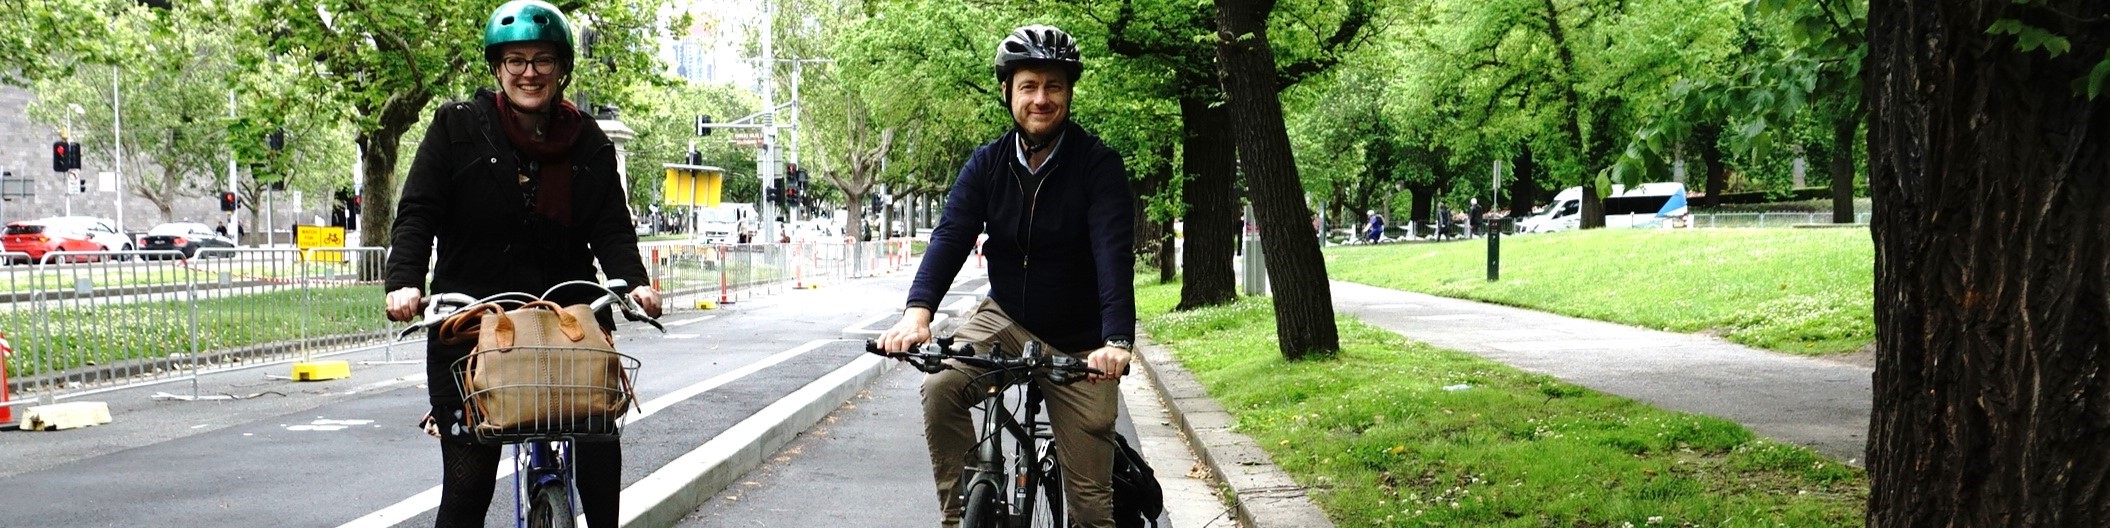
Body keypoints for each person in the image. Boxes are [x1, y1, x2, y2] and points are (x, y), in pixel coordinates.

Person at [380, 2, 662, 527]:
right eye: (515, 60)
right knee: (468, 482)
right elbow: (418, 212)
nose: (529, 72)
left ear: (562, 68)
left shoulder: (590, 141)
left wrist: (637, 285)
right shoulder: (456, 127)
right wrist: (403, 283)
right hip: (470, 321)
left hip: (566, 326)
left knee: (599, 450)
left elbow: (611, 228)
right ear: (497, 68)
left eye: (543, 60)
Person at [874, 24, 1137, 528]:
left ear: (1069, 93)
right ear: (1007, 92)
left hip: (1081, 341)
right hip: (1006, 317)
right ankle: (965, 515)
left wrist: (1116, 340)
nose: (1041, 98)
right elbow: (951, 236)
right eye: (1029, 86)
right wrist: (917, 314)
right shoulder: (987, 164)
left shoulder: (1097, 166)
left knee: (1090, 508)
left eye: (1053, 86)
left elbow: (1112, 253)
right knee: (941, 387)